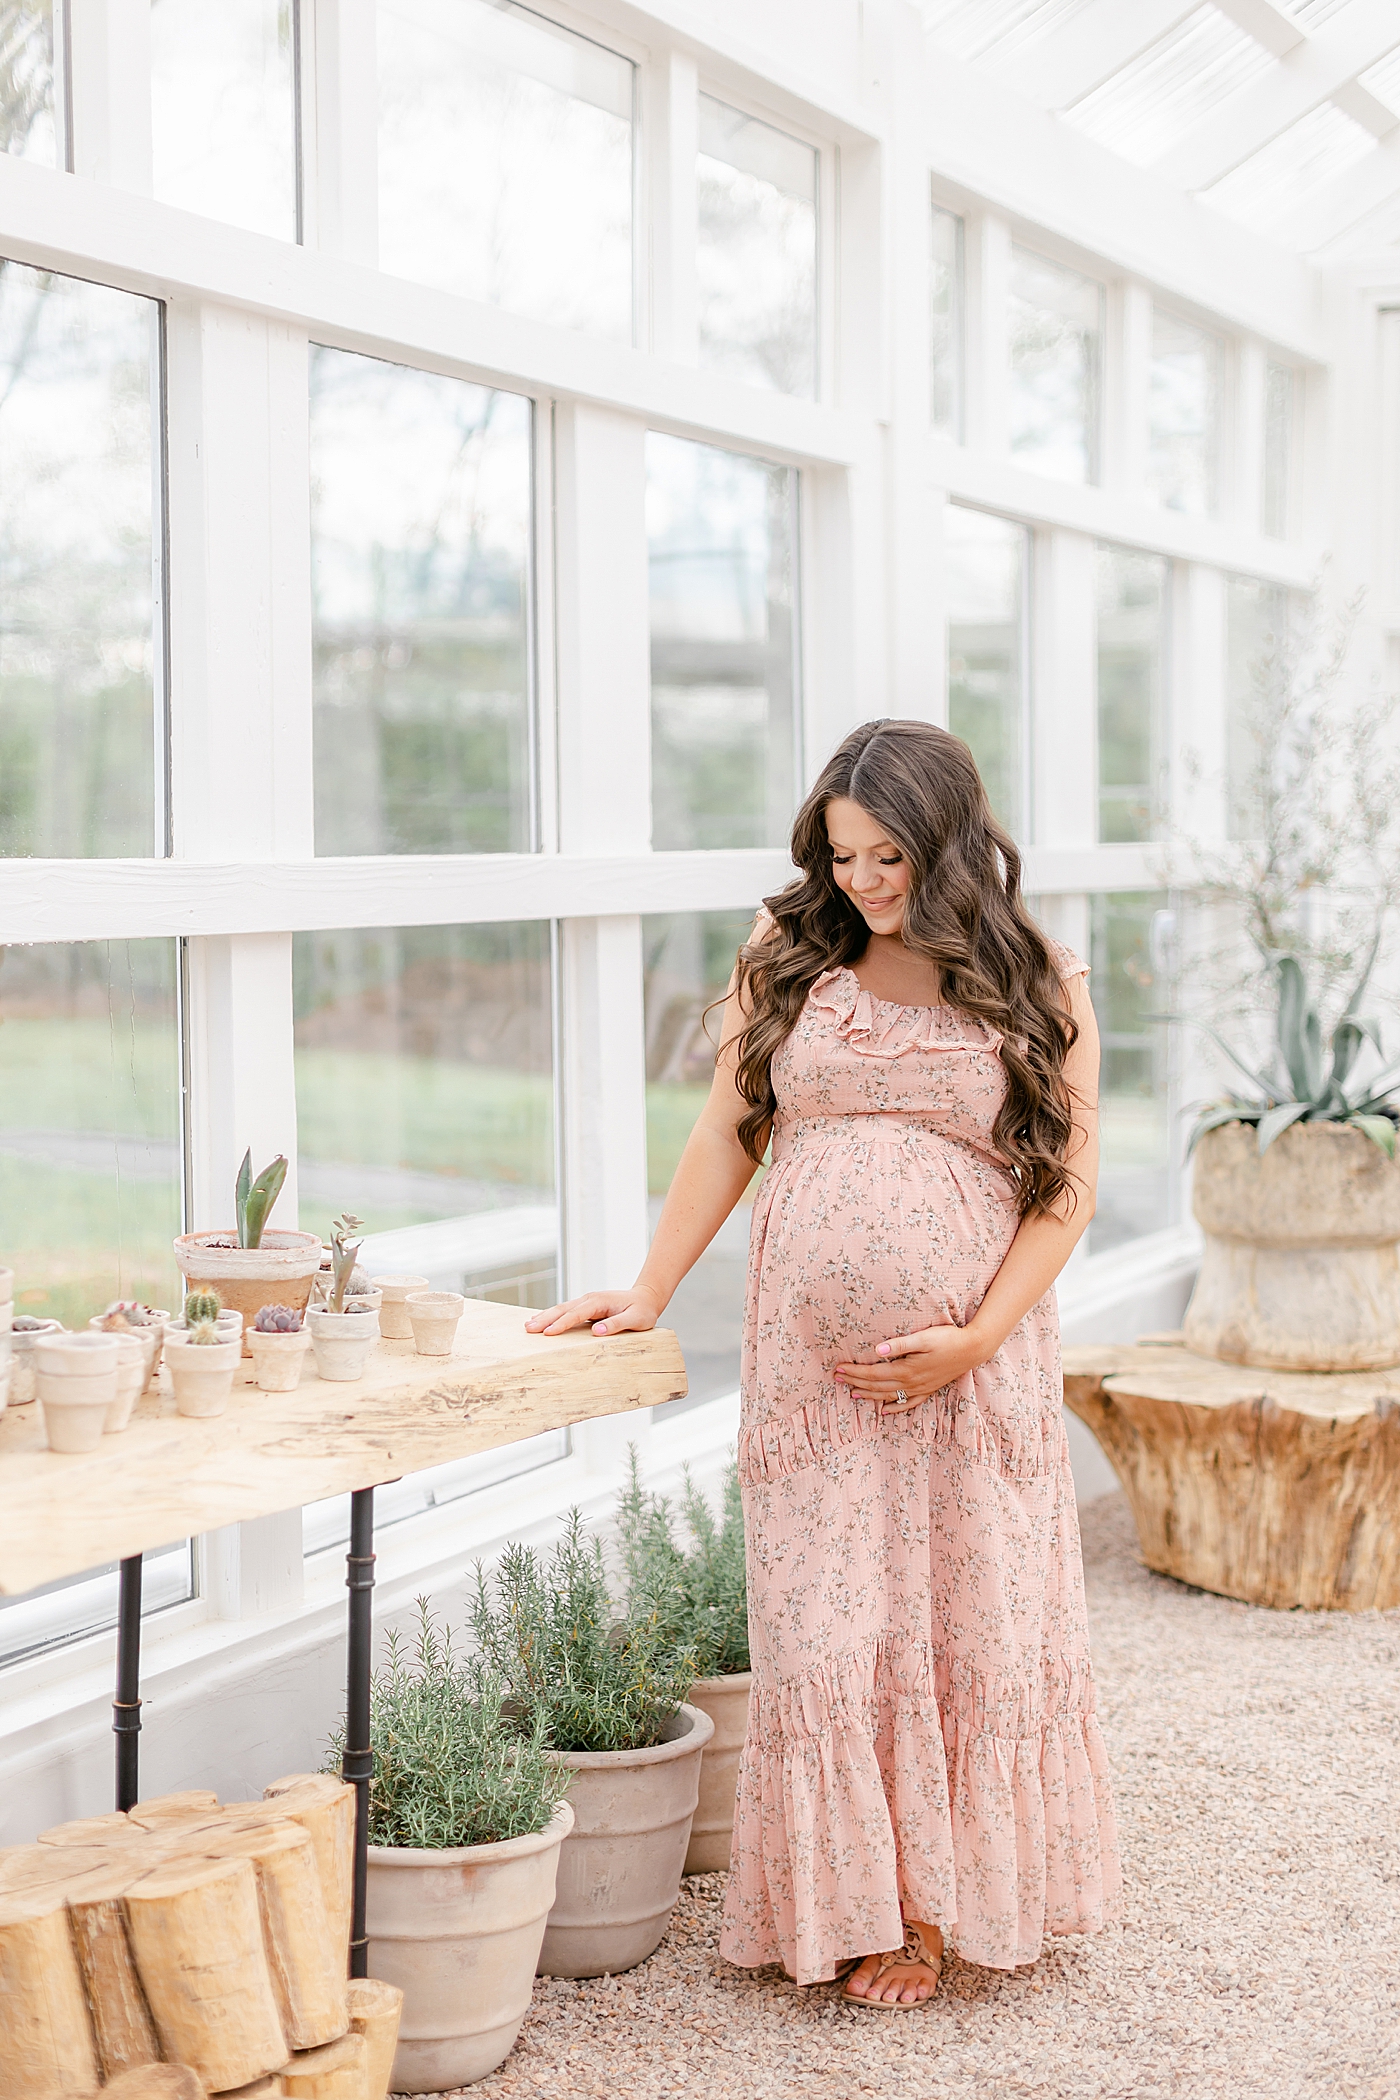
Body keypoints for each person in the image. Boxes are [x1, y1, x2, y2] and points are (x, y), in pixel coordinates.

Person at [527, 717, 1121, 2008]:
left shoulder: (1036, 980)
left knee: (957, 1623)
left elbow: (1067, 1190)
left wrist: (971, 1339)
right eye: (844, 854)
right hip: (819, 1391)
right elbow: (730, 1129)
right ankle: (843, 1897)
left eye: (890, 855)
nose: (863, 881)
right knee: (827, 1629)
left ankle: (926, 1917)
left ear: (951, 844)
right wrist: (650, 1288)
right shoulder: (792, 956)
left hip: (972, 1380)